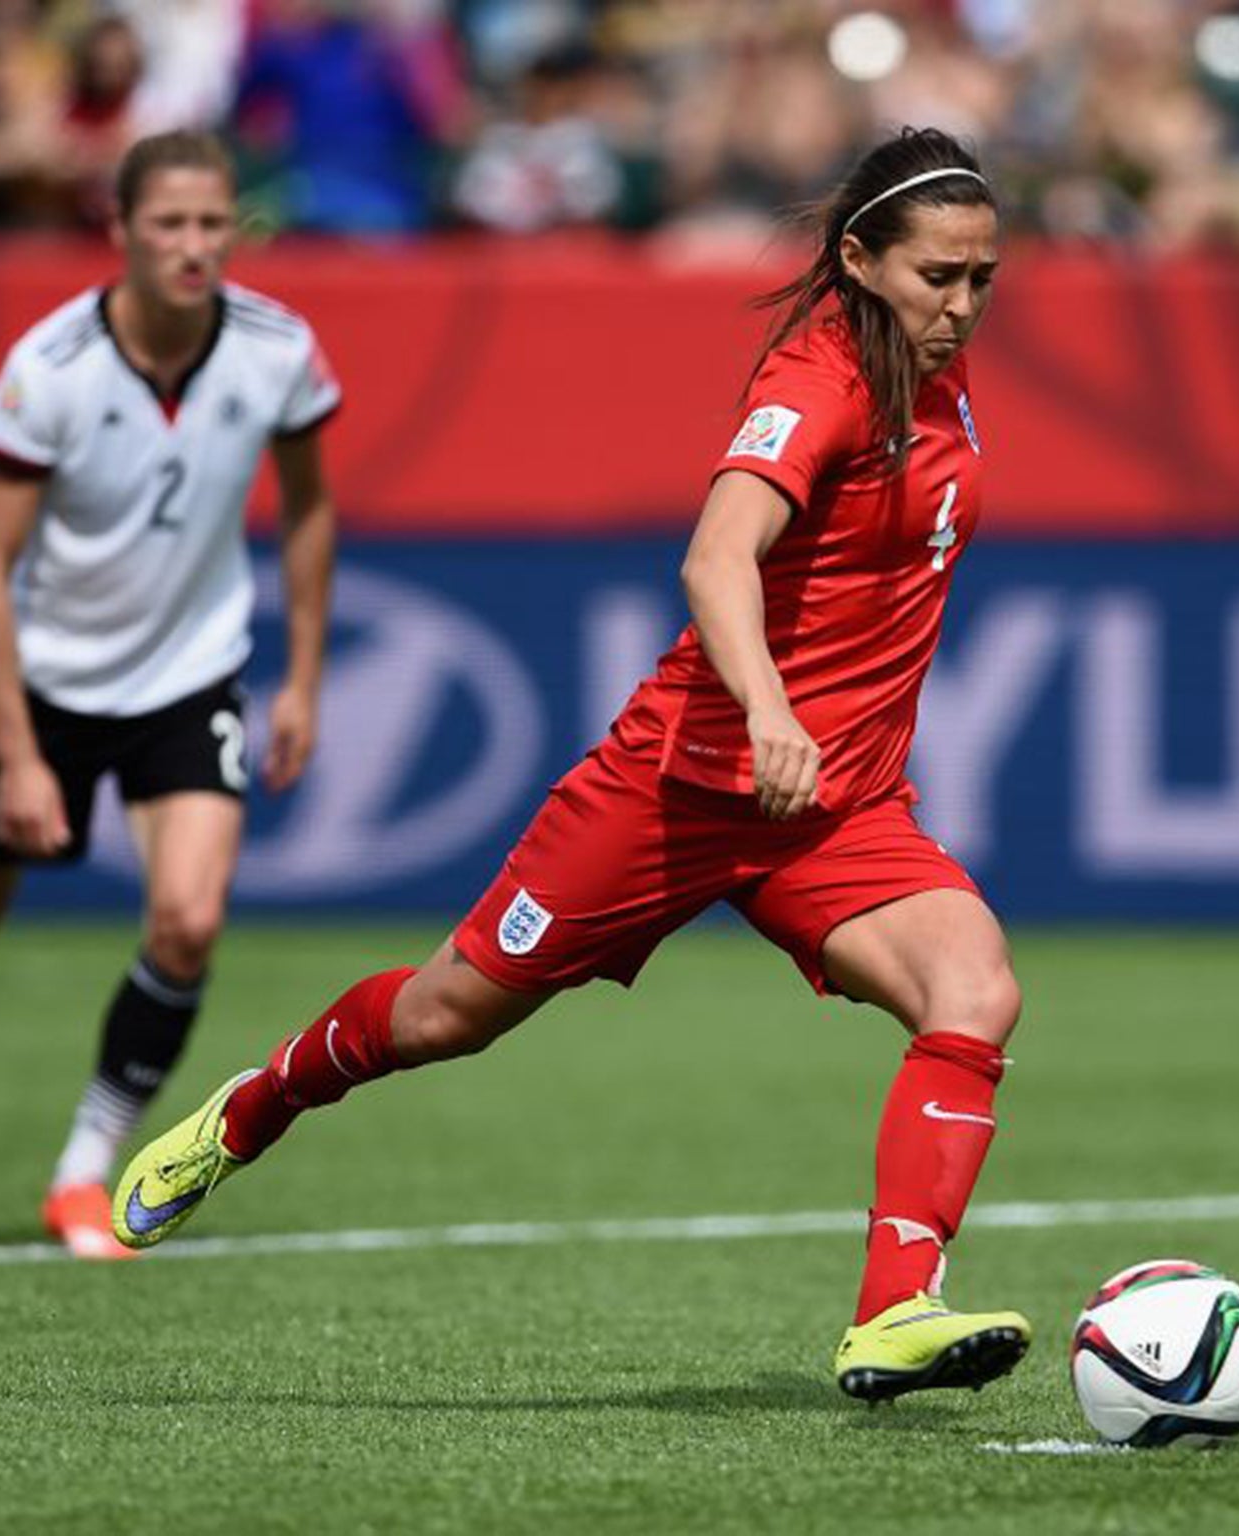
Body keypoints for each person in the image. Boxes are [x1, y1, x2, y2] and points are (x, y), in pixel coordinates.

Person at [113, 126, 1036, 1404]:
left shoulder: (938, 381)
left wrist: (809, 747)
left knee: (973, 989)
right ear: (860, 262)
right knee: (446, 1016)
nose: (962, 304)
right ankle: (250, 1110)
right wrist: (767, 712)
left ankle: (892, 1313)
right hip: (680, 786)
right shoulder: (818, 382)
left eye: (981, 279)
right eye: (938, 275)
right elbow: (716, 558)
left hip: (831, 810)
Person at [0, 128, 340, 1260]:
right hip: (47, 686)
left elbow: (311, 508)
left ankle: (87, 1166)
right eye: (168, 225)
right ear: (121, 230)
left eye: (210, 224)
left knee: (186, 923)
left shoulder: (278, 351)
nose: (192, 247)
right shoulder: (51, 370)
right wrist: (20, 749)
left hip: (189, 678)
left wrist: (302, 682)